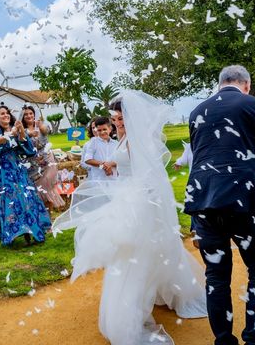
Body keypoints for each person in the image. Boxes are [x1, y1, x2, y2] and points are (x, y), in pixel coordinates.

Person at [54, 90, 207, 345]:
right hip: (125, 197)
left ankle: (129, 316)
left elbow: (148, 175)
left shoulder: (138, 140)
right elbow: (122, 163)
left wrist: (136, 199)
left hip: (138, 202)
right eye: (115, 117)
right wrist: (111, 165)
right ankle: (165, 294)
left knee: (133, 257)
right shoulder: (124, 139)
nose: (116, 121)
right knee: (136, 253)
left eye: (120, 116)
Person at [185, 65, 255, 345]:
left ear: (220, 84)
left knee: (217, 276)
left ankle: (223, 340)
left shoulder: (197, 111)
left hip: (204, 201)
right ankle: (254, 338)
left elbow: (202, 156)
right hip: (244, 201)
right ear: (247, 84)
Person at [0, 105, 51, 246]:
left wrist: (21, 132)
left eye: (7, 113)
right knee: (9, 199)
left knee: (26, 198)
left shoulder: (16, 128)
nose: (6, 116)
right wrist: (10, 133)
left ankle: (32, 231)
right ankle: (12, 234)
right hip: (2, 171)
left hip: (18, 168)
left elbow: (29, 149)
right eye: (2, 114)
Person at [21, 105, 64, 209]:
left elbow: (45, 131)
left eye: (30, 113)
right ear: (22, 117)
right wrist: (28, 133)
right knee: (37, 190)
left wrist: (40, 126)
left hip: (47, 161)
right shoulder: (22, 130)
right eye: (26, 114)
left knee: (47, 188)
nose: (28, 116)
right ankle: (41, 216)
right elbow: (21, 141)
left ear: (34, 115)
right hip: (33, 163)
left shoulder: (42, 126)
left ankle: (49, 215)